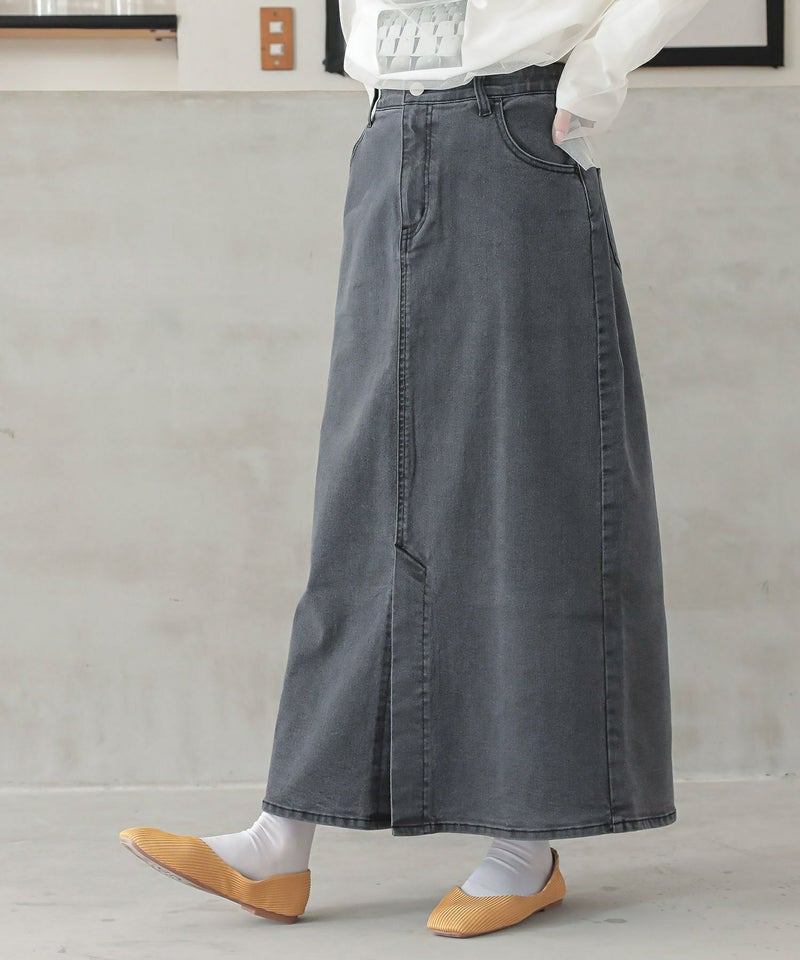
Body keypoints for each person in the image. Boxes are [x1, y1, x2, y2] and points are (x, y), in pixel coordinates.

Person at [120, 0, 710, 939]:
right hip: (391, 133)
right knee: (368, 492)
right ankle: (281, 841)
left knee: (526, 484)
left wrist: (593, 78)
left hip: (519, 130)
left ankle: (524, 845)